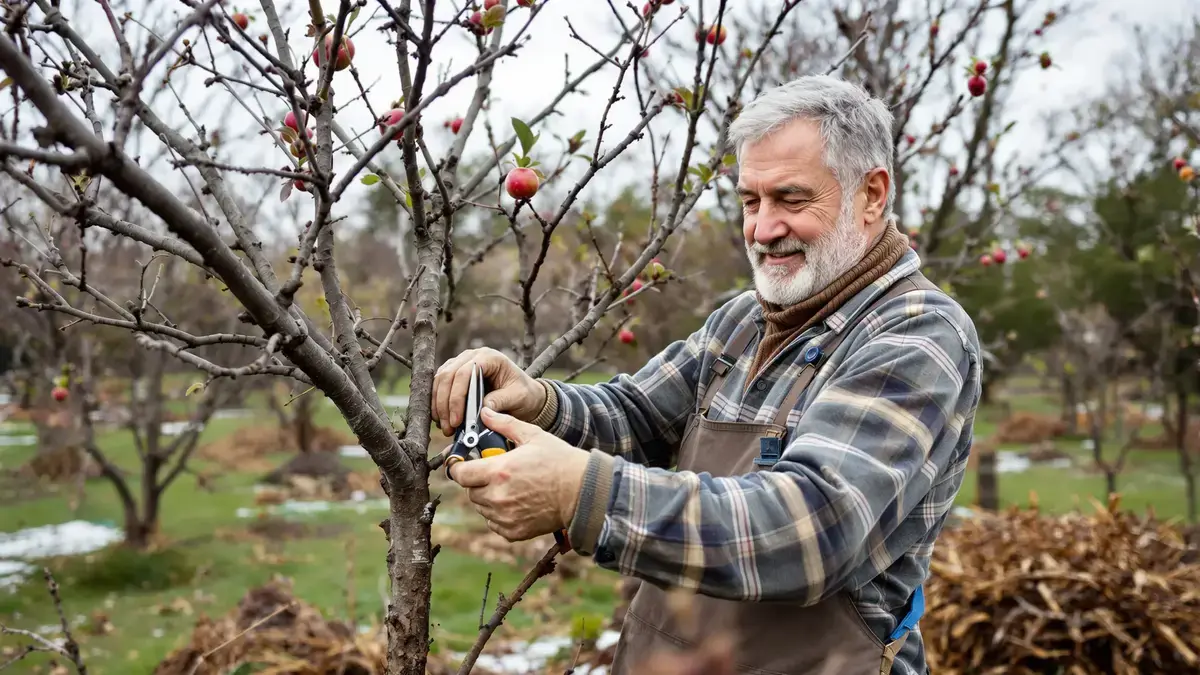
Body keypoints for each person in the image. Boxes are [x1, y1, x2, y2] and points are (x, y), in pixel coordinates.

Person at [432, 74, 982, 675]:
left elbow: (811, 529)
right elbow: (635, 416)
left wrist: (580, 493)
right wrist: (536, 403)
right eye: (751, 201)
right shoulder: (744, 322)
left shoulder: (914, 336)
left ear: (872, 194)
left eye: (792, 200)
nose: (763, 229)